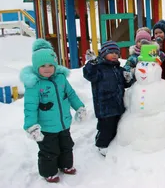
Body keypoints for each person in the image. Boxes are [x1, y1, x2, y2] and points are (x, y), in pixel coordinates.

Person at [20, 39, 86, 183]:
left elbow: (71, 95)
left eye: (51, 65)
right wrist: (31, 126)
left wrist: (79, 108)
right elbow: (30, 107)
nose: (47, 68)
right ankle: (48, 172)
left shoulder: (61, 79)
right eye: (43, 65)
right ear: (36, 67)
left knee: (66, 146)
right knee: (49, 151)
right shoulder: (34, 85)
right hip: (46, 128)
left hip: (64, 123)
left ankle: (66, 165)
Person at [83, 41, 135, 156]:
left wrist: (128, 79)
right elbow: (89, 74)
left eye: (116, 52)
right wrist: (91, 63)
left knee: (115, 126)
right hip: (104, 106)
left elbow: (126, 84)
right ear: (103, 54)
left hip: (117, 104)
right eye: (111, 52)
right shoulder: (98, 69)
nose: (115, 55)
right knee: (107, 128)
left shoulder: (118, 69)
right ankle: (101, 144)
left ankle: (106, 137)